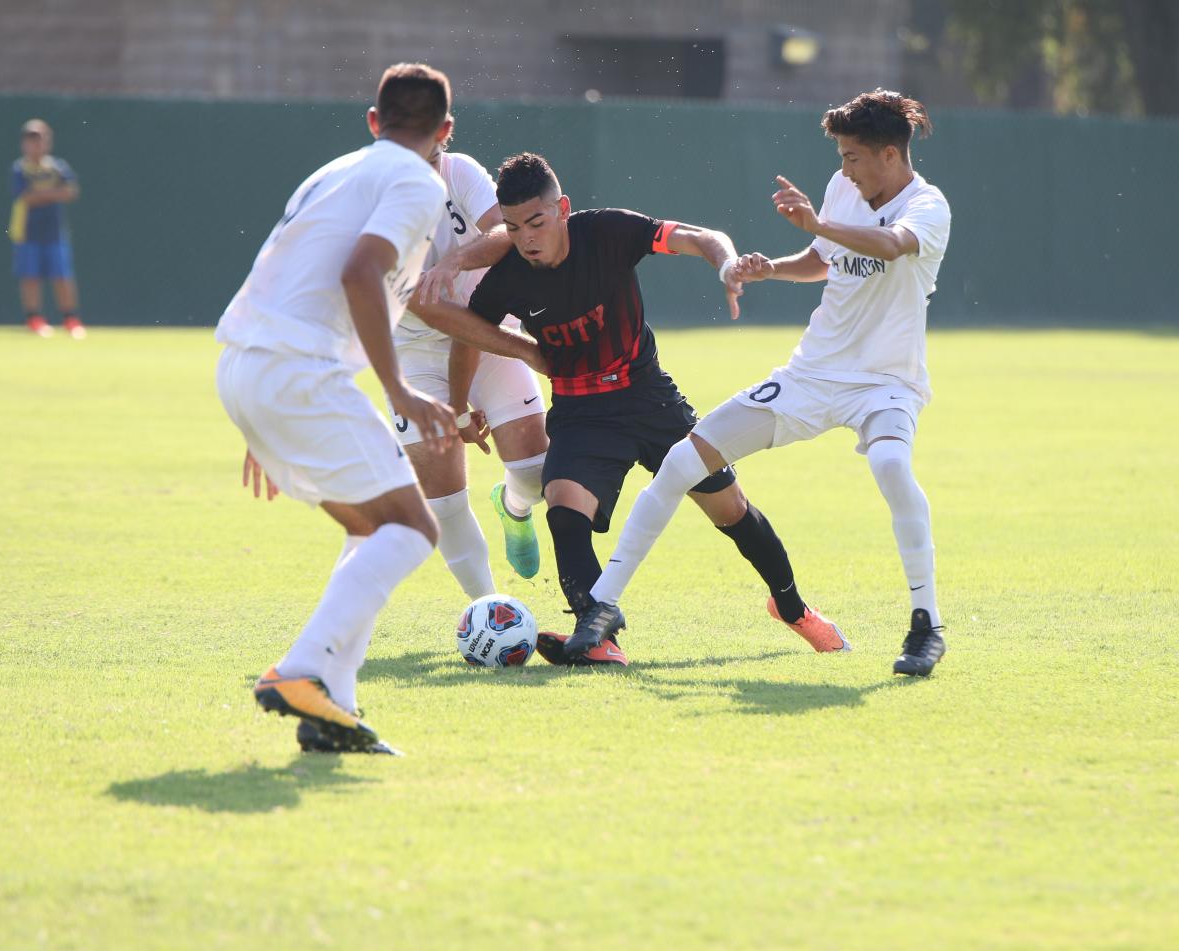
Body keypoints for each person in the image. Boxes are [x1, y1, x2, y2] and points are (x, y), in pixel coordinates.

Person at [569, 89, 951, 677]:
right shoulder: (842, 187)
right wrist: (771, 266)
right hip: (810, 375)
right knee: (681, 461)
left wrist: (820, 223)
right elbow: (825, 258)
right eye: (842, 157)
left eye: (854, 156)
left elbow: (890, 244)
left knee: (892, 469)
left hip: (885, 384)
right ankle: (602, 606)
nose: (844, 167)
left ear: (890, 155)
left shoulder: (928, 206)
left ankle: (926, 626)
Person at [412, 153, 847, 667]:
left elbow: (698, 236)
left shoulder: (608, 232)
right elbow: (466, 338)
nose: (526, 237)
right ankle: (595, 634)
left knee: (730, 509)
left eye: (536, 221)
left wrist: (727, 264)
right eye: (512, 227)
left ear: (563, 209)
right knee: (564, 508)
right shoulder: (508, 276)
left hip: (647, 398)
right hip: (579, 410)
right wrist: (461, 407)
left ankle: (793, 609)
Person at [215, 63, 458, 754]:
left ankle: (335, 711)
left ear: (374, 121)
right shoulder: (416, 180)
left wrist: (263, 417)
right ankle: (299, 671)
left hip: (253, 367)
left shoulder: (334, 170)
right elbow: (359, 271)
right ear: (444, 132)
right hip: (296, 372)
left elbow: (288, 274)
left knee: (368, 526)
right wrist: (400, 389)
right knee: (414, 529)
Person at [390, 130, 550, 598]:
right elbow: (438, 313)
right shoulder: (371, 214)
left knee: (536, 473)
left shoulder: (459, 169)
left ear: (444, 139)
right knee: (444, 497)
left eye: (432, 160)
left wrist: (455, 263)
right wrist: (525, 349)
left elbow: (505, 231)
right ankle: (490, 610)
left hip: (489, 330)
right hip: (417, 354)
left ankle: (514, 507)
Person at [8, 119, 85, 338]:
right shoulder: (19, 168)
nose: (36, 144)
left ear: (48, 142)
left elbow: (70, 191)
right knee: (30, 276)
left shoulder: (58, 167)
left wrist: (42, 193)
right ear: (24, 143)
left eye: (40, 139)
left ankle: (71, 320)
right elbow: (26, 196)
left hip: (54, 232)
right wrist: (52, 193)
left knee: (62, 276)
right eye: (31, 140)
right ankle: (34, 319)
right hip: (26, 231)